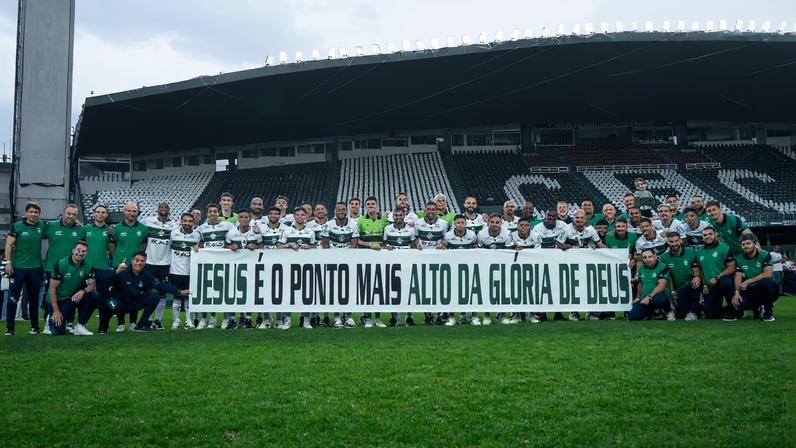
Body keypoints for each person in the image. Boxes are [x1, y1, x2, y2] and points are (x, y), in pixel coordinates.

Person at [111, 251, 190, 332]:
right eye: (137, 260)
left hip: (133, 303)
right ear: (132, 261)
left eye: (142, 261)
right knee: (109, 303)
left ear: (145, 263)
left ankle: (140, 324)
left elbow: (159, 285)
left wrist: (178, 291)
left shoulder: (146, 274)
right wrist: (116, 272)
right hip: (119, 304)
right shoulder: (122, 271)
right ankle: (118, 324)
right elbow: (108, 284)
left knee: (154, 297)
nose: (139, 263)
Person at [42, 203, 86, 334]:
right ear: (63, 213)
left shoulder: (80, 229)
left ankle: (68, 322)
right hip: (52, 267)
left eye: (74, 214)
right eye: (69, 213)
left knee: (70, 296)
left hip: (72, 269)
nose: (71, 216)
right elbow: (36, 233)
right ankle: (48, 322)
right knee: (50, 295)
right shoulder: (51, 226)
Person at [4, 202, 46, 335]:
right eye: (31, 212)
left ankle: (35, 327)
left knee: (34, 299)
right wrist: (8, 263)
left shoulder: (41, 225)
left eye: (36, 212)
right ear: (26, 213)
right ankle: (10, 328)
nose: (33, 214)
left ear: (39, 214)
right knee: (13, 298)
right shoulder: (17, 226)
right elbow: (8, 245)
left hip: (35, 268)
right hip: (18, 267)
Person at [196, 203, 236, 329]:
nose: (212, 213)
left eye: (215, 211)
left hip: (224, 264)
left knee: (224, 292)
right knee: (207, 292)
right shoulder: (202, 228)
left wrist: (230, 246)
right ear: (207, 214)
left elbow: (234, 240)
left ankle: (226, 318)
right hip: (207, 264)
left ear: (219, 213)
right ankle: (208, 319)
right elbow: (197, 243)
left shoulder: (228, 226)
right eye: (210, 211)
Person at [321, 202, 360, 329]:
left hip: (348, 262)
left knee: (349, 290)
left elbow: (353, 245)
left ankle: (347, 317)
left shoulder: (353, 224)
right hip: (333, 262)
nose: (341, 212)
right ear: (335, 211)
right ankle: (336, 317)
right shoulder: (328, 225)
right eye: (339, 210)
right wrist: (333, 259)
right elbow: (325, 245)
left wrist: (346, 258)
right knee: (334, 291)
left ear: (347, 211)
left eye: (343, 209)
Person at [48, 241, 99, 336]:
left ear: (86, 253)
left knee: (94, 296)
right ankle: (51, 317)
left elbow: (92, 285)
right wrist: (56, 311)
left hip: (73, 297)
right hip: (60, 299)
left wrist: (83, 291)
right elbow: (52, 289)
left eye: (84, 251)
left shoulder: (88, 265)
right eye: (78, 250)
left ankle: (80, 326)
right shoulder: (61, 264)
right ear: (73, 250)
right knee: (58, 331)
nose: (80, 253)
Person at [278, 207, 316, 329]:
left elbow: (315, 247)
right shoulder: (287, 231)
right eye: (297, 215)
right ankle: (287, 320)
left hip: (305, 267)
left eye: (302, 215)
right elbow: (278, 246)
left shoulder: (310, 232)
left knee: (306, 293)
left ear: (306, 217)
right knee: (288, 293)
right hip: (289, 266)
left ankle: (306, 320)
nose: (300, 217)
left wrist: (309, 247)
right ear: (294, 216)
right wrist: (289, 245)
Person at [142, 202, 177, 331]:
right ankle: (148, 320)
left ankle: (158, 320)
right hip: (149, 263)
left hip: (165, 264)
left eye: (166, 207)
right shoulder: (148, 222)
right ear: (157, 210)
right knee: (148, 292)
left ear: (169, 210)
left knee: (162, 293)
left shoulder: (174, 225)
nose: (163, 209)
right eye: (161, 207)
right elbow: (134, 225)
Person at [225, 209, 262, 329]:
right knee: (233, 292)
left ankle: (248, 318)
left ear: (250, 219)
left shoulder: (255, 232)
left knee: (249, 293)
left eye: (246, 217)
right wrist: (230, 246)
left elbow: (262, 245)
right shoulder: (232, 232)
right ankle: (232, 319)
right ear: (238, 219)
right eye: (241, 217)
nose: (243, 219)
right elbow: (225, 244)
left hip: (251, 267)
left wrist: (255, 246)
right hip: (235, 267)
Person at [356, 196, 389, 328]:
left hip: (380, 259)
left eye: (373, 204)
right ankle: (368, 318)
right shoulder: (361, 220)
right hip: (365, 259)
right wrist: (370, 244)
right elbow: (356, 240)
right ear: (365, 206)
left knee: (379, 289)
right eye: (368, 204)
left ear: (377, 206)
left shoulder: (384, 220)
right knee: (367, 289)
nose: (371, 206)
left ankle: (378, 318)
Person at [383, 208, 418, 326]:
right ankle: (395, 317)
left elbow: (413, 246)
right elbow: (384, 243)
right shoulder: (387, 229)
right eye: (396, 215)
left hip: (406, 263)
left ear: (404, 216)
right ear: (393, 216)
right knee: (393, 290)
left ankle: (409, 316)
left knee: (408, 290)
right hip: (392, 263)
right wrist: (386, 247)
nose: (398, 217)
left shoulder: (410, 230)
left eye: (400, 215)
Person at [85, 204, 117, 334]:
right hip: (87, 269)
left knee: (104, 299)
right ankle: (81, 325)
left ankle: (103, 327)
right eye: (98, 212)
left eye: (103, 212)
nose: (100, 214)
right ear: (94, 213)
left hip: (103, 269)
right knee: (86, 297)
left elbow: (112, 249)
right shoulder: (86, 229)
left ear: (106, 215)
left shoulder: (110, 231)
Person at [731, 234, 778, 321]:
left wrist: (748, 281)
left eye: (748, 243)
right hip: (751, 290)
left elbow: (768, 273)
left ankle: (768, 311)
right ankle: (757, 308)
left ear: (755, 244)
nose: (746, 246)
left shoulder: (764, 255)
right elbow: (738, 276)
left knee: (766, 283)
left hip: (768, 289)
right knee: (738, 305)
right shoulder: (739, 258)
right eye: (743, 244)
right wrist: (737, 293)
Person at [253, 206, 287, 329]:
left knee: (279, 292)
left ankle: (279, 319)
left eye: (276, 214)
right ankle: (266, 318)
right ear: (268, 215)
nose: (274, 215)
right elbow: (259, 244)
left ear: (280, 215)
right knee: (264, 292)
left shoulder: (286, 229)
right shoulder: (261, 228)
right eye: (271, 213)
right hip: (265, 264)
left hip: (281, 264)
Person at [168, 213, 201, 330]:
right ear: (181, 221)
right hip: (175, 271)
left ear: (193, 222)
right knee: (177, 297)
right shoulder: (173, 233)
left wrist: (198, 248)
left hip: (189, 272)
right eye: (185, 221)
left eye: (190, 221)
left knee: (188, 297)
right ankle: (176, 321)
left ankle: (188, 321)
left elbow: (199, 251)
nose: (187, 223)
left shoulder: (196, 235)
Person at [478, 213, 511, 325]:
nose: (494, 224)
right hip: (486, 266)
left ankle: (501, 314)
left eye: (497, 222)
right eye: (492, 222)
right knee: (486, 291)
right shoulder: (481, 234)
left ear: (501, 223)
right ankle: (487, 315)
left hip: (502, 265)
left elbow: (509, 251)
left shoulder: (507, 234)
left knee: (502, 291)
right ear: (488, 222)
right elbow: (478, 251)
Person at [696, 226, 736, 319]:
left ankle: (733, 309)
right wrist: (704, 285)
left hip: (722, 281)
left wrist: (717, 278)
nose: (707, 236)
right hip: (710, 285)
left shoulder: (725, 248)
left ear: (715, 235)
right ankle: (724, 311)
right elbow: (700, 270)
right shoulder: (699, 252)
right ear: (702, 237)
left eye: (710, 234)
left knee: (726, 282)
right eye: (705, 235)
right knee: (710, 315)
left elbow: (732, 267)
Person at [660, 232, 701, 320]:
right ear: (667, 242)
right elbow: (668, 276)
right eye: (671, 242)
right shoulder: (664, 258)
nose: (674, 244)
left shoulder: (691, 252)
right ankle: (698, 308)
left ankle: (693, 312)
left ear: (681, 241)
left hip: (689, 284)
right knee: (680, 315)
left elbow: (696, 267)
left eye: (676, 241)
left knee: (695, 283)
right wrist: (672, 291)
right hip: (678, 289)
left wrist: (697, 277)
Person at [629, 249, 675, 321]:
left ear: (655, 257)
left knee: (659, 299)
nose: (648, 259)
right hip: (645, 297)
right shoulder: (641, 268)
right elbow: (640, 283)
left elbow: (661, 285)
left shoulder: (663, 267)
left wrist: (649, 296)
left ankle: (668, 311)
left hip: (659, 295)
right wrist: (637, 298)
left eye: (650, 257)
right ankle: (651, 313)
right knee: (633, 316)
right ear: (642, 259)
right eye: (645, 257)